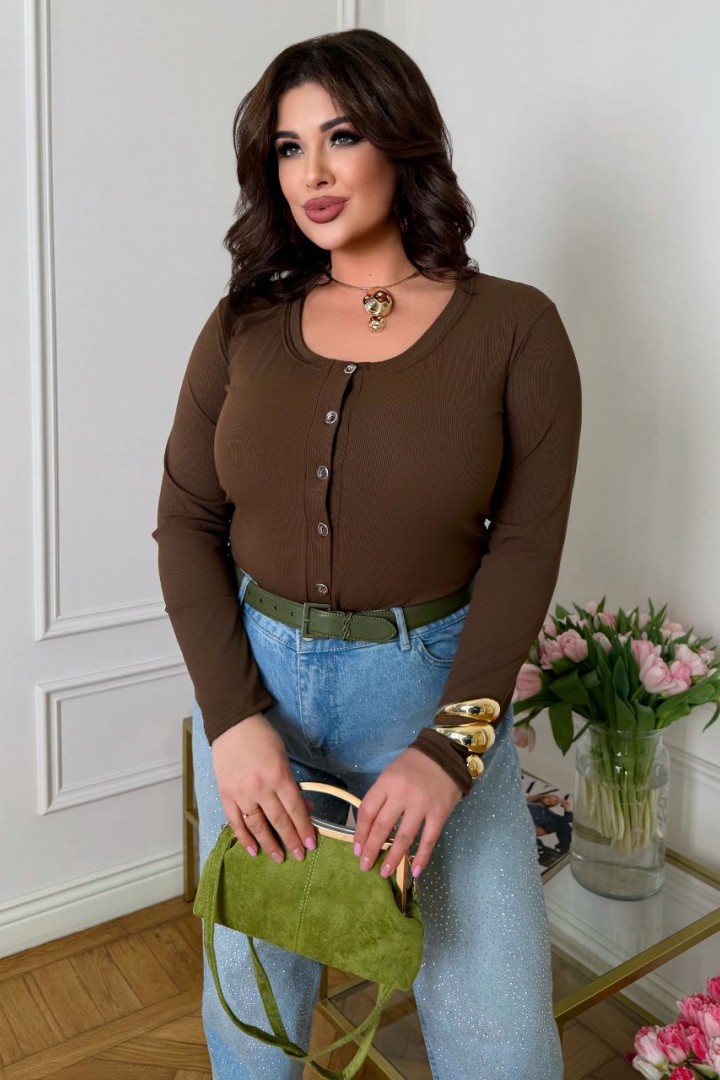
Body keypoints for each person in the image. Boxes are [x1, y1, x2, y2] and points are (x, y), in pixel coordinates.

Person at [152, 26, 582, 1080]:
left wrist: (452, 750)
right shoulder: (243, 326)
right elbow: (187, 523)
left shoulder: (515, 328)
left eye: (341, 136)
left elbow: (526, 550)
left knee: (500, 1037)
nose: (314, 171)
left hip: (430, 699)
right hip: (258, 700)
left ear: (401, 137)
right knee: (251, 1020)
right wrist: (232, 721)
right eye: (289, 147)